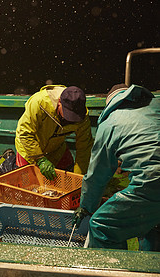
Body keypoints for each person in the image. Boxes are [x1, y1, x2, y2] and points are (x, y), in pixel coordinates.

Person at [74, 84, 160, 251]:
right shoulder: (156, 105)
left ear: (110, 103)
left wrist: (86, 206)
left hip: (153, 182)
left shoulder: (110, 123)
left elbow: (97, 176)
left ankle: (116, 275)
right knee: (153, 224)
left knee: (101, 226)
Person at [15, 85, 93, 180]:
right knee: (28, 181)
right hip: (28, 149)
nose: (71, 120)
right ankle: (8, 161)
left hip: (57, 149)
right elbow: (25, 134)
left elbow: (84, 148)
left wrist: (78, 178)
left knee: (67, 177)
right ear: (59, 102)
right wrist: (40, 159)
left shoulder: (83, 116)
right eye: (68, 114)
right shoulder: (39, 102)